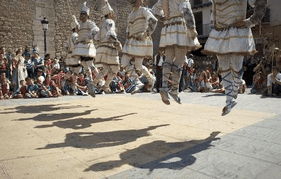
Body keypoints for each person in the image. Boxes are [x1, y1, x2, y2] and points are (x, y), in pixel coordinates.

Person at [203, 0, 268, 115]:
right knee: (223, 67)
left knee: (236, 65)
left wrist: (251, 21)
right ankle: (229, 101)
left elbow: (260, 2)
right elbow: (214, 12)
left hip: (238, 30)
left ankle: (235, 88)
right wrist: (213, 28)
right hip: (219, 32)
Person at [152, 0, 201, 105]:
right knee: (179, 60)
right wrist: (192, 29)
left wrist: (163, 17)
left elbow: (154, 10)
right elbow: (186, 10)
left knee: (168, 59)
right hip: (180, 26)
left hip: (168, 27)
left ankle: (164, 87)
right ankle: (174, 90)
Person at [121, 0, 158, 94]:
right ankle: (149, 79)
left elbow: (153, 20)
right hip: (132, 42)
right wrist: (128, 34)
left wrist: (146, 34)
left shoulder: (143, 10)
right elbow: (128, 30)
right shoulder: (130, 14)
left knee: (135, 65)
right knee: (126, 63)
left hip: (141, 41)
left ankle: (139, 81)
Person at [93, 0, 122, 94]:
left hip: (102, 49)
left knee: (105, 69)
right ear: (110, 14)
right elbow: (110, 32)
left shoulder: (101, 24)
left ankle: (93, 84)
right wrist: (116, 41)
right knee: (116, 69)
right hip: (110, 48)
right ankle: (106, 86)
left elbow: (96, 37)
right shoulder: (110, 21)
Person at [72, 2, 100, 97]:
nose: (82, 16)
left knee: (90, 65)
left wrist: (89, 36)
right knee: (84, 66)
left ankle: (100, 81)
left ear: (87, 15)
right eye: (81, 15)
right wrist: (74, 20)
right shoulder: (80, 24)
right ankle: (91, 84)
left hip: (87, 47)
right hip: (80, 48)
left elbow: (96, 29)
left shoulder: (89, 23)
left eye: (83, 15)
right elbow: (77, 28)